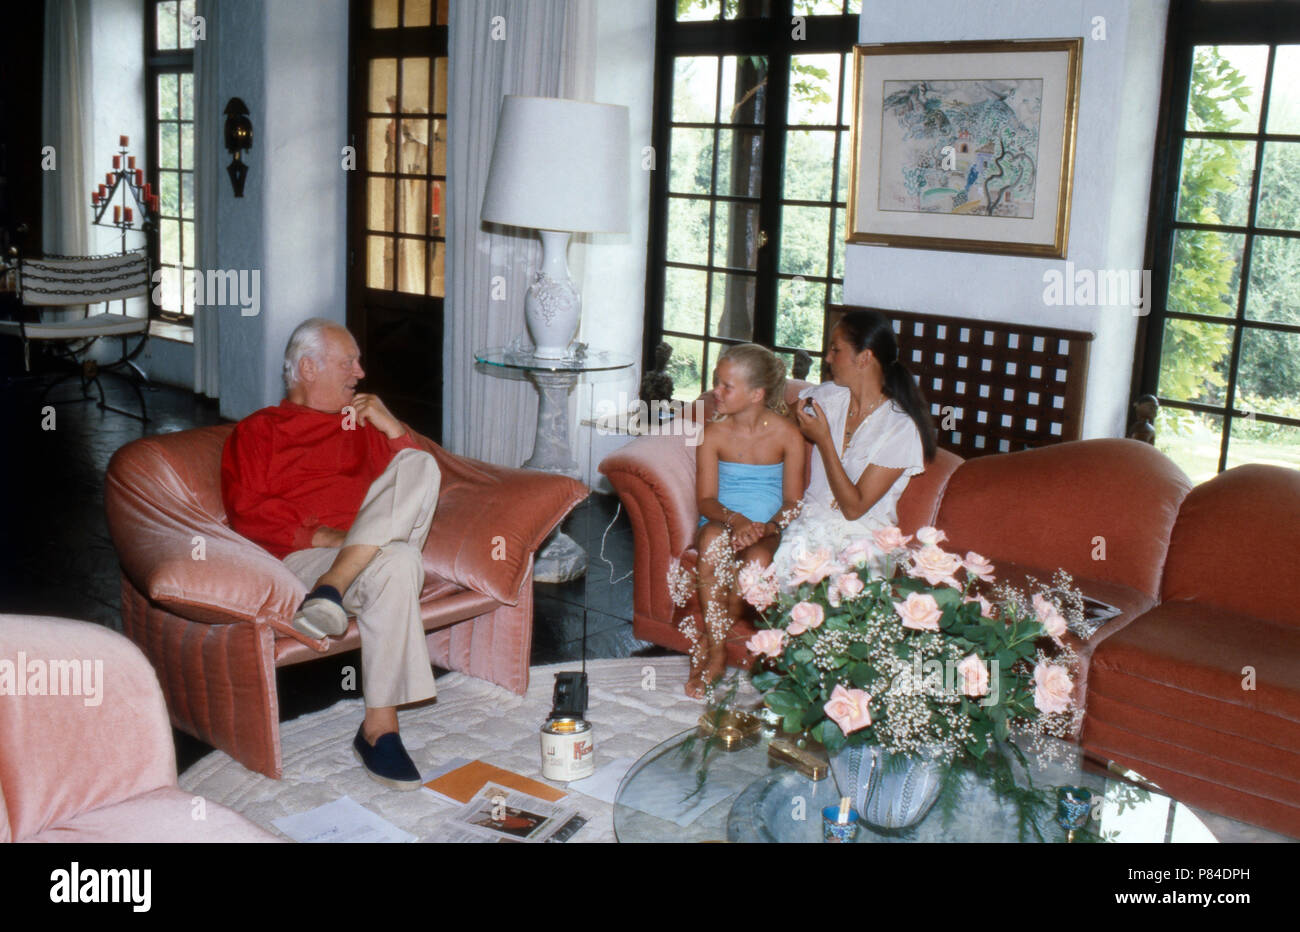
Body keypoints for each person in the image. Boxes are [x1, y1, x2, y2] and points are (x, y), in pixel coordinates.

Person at [221, 317, 440, 790]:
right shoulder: (258, 431)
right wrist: (333, 539)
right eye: (349, 362)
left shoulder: (362, 427)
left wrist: (393, 428)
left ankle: (333, 595)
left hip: (346, 574)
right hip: (306, 563)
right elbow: (247, 512)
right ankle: (378, 728)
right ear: (307, 367)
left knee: (418, 462)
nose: (360, 372)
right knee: (401, 560)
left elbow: (421, 485)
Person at [772, 309, 937, 581]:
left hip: (865, 541)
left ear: (864, 358)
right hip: (808, 529)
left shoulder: (900, 427)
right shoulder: (825, 397)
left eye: (835, 350)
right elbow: (772, 424)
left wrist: (824, 440)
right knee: (776, 581)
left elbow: (853, 508)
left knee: (840, 590)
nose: (827, 358)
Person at [682, 344, 805, 697]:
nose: (715, 393)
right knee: (711, 543)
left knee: (758, 561)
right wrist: (736, 521)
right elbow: (705, 499)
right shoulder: (713, 434)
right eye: (715, 383)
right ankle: (718, 655)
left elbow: (793, 502)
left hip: (765, 529)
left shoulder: (787, 435)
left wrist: (768, 527)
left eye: (725, 386)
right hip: (723, 520)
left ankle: (706, 639)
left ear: (756, 394)